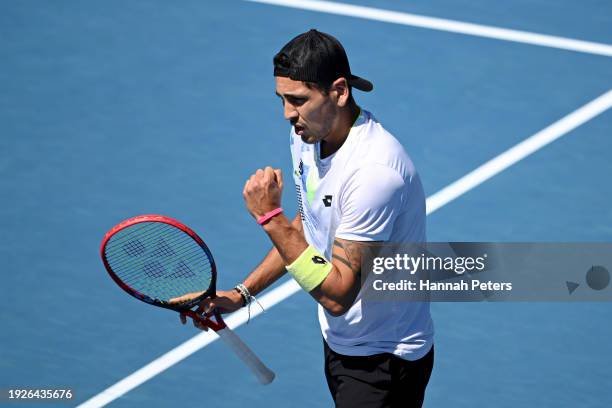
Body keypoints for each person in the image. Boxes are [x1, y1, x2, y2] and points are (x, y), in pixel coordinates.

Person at [182, 29, 434, 407]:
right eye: (281, 99)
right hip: (343, 344)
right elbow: (311, 226)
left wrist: (269, 218)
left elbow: (337, 295)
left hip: (385, 360)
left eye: (298, 100)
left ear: (339, 91)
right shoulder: (307, 136)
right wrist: (241, 294)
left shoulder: (374, 174)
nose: (287, 114)